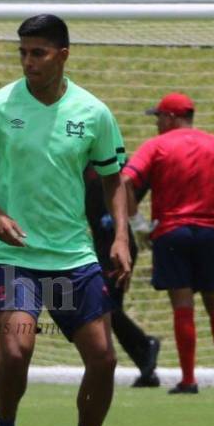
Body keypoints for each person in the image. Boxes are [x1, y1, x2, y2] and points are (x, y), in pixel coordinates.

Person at [0, 15, 131, 426]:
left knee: (104, 359)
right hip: (12, 254)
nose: (29, 62)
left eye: (39, 53)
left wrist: (118, 238)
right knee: (16, 347)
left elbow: (115, 178)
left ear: (63, 55)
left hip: (73, 255)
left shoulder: (93, 112)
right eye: (23, 53)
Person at [122, 93, 214, 395]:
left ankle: (189, 379)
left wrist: (136, 224)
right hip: (213, 232)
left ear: (171, 117)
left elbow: (125, 180)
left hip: (172, 232)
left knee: (182, 303)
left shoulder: (157, 145)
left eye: (159, 117)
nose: (157, 124)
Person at [85, 159, 160, 388]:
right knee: (106, 307)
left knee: (104, 304)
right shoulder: (77, 161)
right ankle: (145, 367)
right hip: (100, 245)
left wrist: (130, 212)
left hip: (119, 245)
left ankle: (145, 345)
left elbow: (139, 179)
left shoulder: (115, 160)